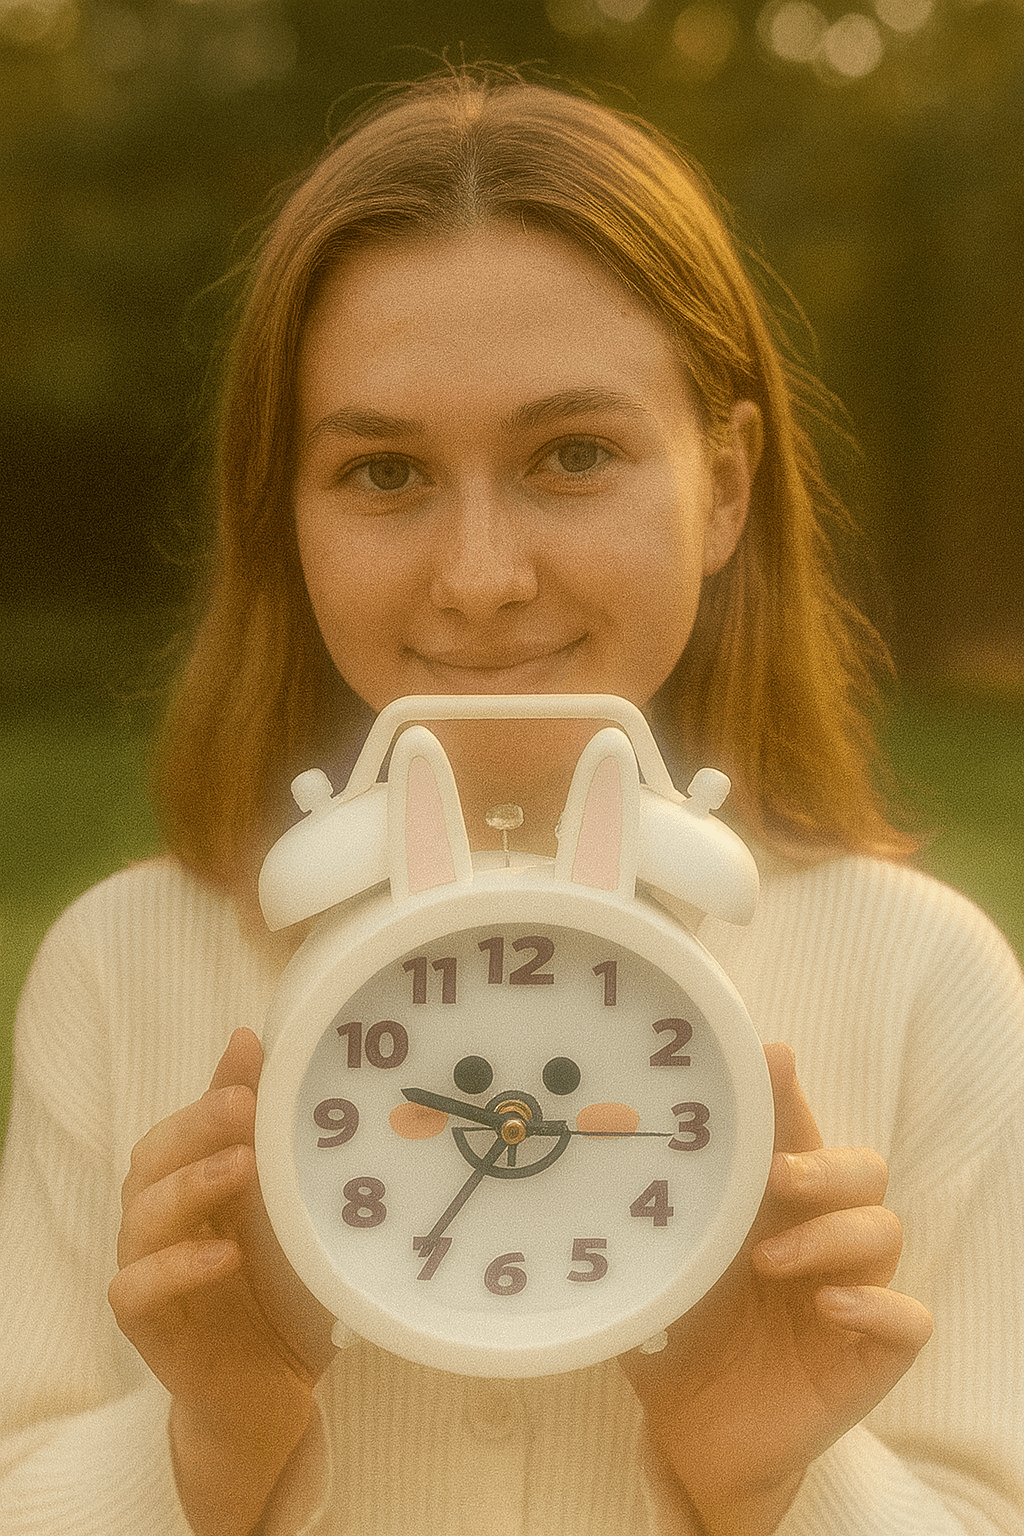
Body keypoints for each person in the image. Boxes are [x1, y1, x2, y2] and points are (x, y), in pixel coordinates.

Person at [1, 66, 1022, 1536]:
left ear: (725, 483)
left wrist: (775, 1478)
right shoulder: (121, 970)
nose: (481, 577)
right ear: (284, 514)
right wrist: (203, 1450)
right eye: (385, 470)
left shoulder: (926, 982)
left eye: (574, 456)